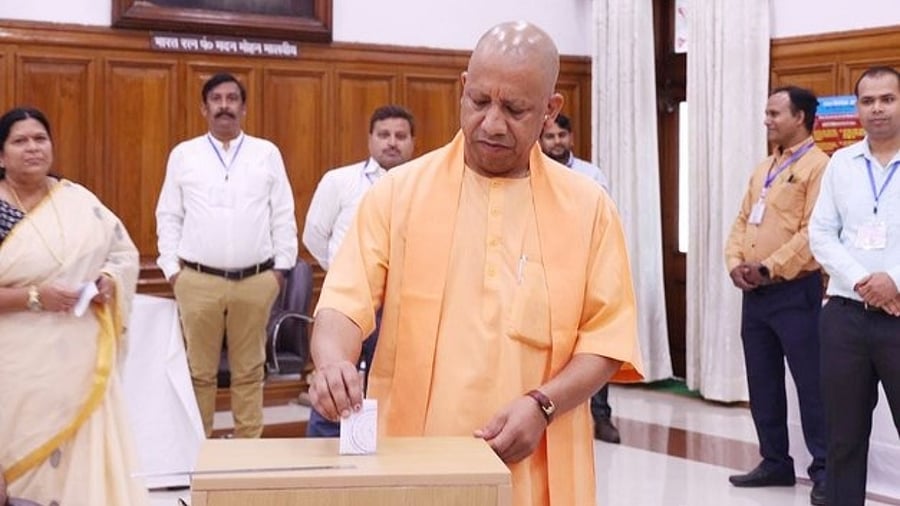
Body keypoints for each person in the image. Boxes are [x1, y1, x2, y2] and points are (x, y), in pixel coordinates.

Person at [308, 21, 643, 506]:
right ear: (462, 88)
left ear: (550, 111)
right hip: (412, 460)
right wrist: (333, 361)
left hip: (534, 460)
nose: (491, 123)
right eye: (480, 101)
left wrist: (543, 406)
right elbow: (342, 302)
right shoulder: (398, 194)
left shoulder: (588, 208)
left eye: (514, 109)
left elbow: (607, 338)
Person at [0, 107, 148, 505]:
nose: (32, 148)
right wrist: (36, 298)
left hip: (79, 364)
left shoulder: (80, 201)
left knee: (76, 473)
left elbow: (122, 255)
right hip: (13, 370)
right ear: (1, 155)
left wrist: (108, 282)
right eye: (20, 141)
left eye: (40, 139)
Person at [156, 72, 298, 438]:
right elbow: (169, 215)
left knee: (250, 372)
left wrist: (280, 269)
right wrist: (173, 271)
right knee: (198, 373)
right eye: (216, 99)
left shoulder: (266, 153)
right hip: (197, 281)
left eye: (232, 98)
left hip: (255, 281)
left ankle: (246, 455)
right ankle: (196, 452)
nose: (224, 105)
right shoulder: (184, 154)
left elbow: (283, 212)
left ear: (243, 107)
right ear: (204, 108)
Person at [724, 86, 829, 505]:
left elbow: (813, 232)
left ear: (799, 116)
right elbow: (741, 220)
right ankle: (774, 461)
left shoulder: (819, 167)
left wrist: (770, 266)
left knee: (812, 385)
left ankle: (824, 468)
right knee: (762, 381)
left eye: (774, 113)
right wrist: (736, 262)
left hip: (794, 291)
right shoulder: (763, 167)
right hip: (756, 295)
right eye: (766, 112)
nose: (766, 119)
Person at [809, 65, 900, 506]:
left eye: (888, 99)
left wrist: (894, 281)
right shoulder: (841, 164)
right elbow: (821, 234)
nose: (877, 108)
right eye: (868, 101)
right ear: (857, 108)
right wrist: (865, 281)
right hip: (845, 317)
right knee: (843, 437)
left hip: (899, 317)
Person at [302, 104, 415, 437]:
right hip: (347, 306)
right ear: (370, 139)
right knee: (336, 379)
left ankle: (387, 454)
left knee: (393, 386)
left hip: (401, 307)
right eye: (384, 135)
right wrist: (345, 277)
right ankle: (323, 455)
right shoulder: (339, 181)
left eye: (400, 136)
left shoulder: (420, 185)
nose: (391, 142)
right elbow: (314, 235)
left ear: (412, 142)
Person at [539, 113, 620, 444]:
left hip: (584, 272)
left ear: (570, 138)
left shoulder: (590, 175)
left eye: (562, 136)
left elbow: (602, 225)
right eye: (549, 137)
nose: (556, 142)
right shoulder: (533, 175)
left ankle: (601, 417)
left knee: (594, 347)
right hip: (543, 272)